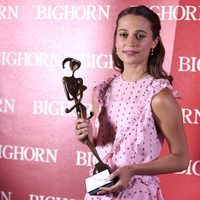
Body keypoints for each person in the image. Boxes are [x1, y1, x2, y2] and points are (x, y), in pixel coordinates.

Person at [75, 5, 189, 200]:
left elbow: (181, 159)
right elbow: (106, 147)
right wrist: (88, 137)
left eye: (140, 36)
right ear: (116, 40)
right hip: (100, 191)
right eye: (123, 34)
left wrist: (133, 169)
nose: (130, 42)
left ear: (154, 42)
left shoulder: (159, 96)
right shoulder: (101, 92)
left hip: (137, 194)